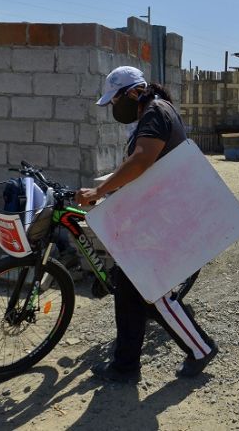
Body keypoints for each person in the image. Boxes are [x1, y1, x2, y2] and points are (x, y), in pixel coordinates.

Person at [75, 66, 218, 384]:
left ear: (132, 93)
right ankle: (125, 365)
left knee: (151, 293)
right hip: (160, 215)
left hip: (167, 218)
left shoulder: (154, 112)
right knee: (129, 289)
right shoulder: (157, 111)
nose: (114, 108)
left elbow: (141, 161)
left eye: (115, 101)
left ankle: (200, 348)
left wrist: (98, 191)